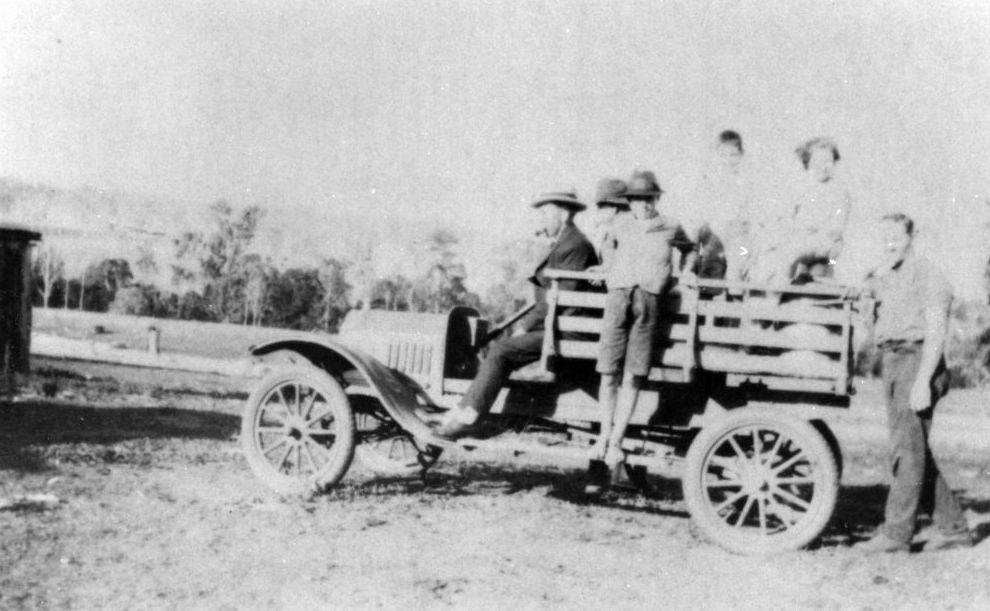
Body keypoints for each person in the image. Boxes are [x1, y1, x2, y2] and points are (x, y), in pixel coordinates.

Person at [435, 190, 599, 438]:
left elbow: (561, 298)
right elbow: (550, 297)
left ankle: (469, 415)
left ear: (564, 214)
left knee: (502, 351)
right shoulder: (565, 243)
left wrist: (527, 325)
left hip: (568, 332)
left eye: (546, 213)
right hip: (559, 325)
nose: (541, 220)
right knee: (501, 347)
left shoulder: (574, 245)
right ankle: (465, 409)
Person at [855, 213, 972, 553]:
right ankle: (954, 529)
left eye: (896, 236)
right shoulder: (886, 277)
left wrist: (922, 382)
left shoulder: (928, 274)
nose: (889, 242)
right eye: (884, 237)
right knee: (911, 451)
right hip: (893, 362)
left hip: (918, 362)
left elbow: (936, 333)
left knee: (908, 452)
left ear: (911, 237)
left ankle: (896, 535)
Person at [585, 170, 696, 493]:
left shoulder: (670, 226)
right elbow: (609, 250)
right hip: (618, 297)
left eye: (647, 200)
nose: (642, 206)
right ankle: (604, 436)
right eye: (636, 200)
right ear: (629, 202)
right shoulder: (620, 225)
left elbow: (689, 250)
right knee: (608, 373)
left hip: (648, 301)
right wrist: (606, 268)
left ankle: (617, 441)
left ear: (656, 200)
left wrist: (686, 274)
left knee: (633, 375)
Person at [751, 137, 851, 285]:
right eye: (817, 161)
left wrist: (811, 230)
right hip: (801, 237)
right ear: (808, 162)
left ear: (834, 163)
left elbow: (837, 228)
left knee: (790, 253)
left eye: (827, 161)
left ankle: (779, 289)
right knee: (767, 247)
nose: (823, 166)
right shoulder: (803, 188)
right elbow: (787, 215)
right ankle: (760, 288)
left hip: (825, 242)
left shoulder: (839, 193)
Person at [690, 130, 755, 284]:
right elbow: (702, 214)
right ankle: (708, 296)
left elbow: (751, 216)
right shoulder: (711, 182)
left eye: (733, 155)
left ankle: (735, 297)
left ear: (741, 155)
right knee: (711, 263)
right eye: (723, 156)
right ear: (717, 156)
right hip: (715, 233)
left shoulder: (746, 183)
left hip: (740, 235)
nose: (729, 160)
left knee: (738, 264)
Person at [591, 178, 631, 266]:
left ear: (614, 209)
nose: (598, 212)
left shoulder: (624, 232)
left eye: (601, 207)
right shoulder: (607, 230)